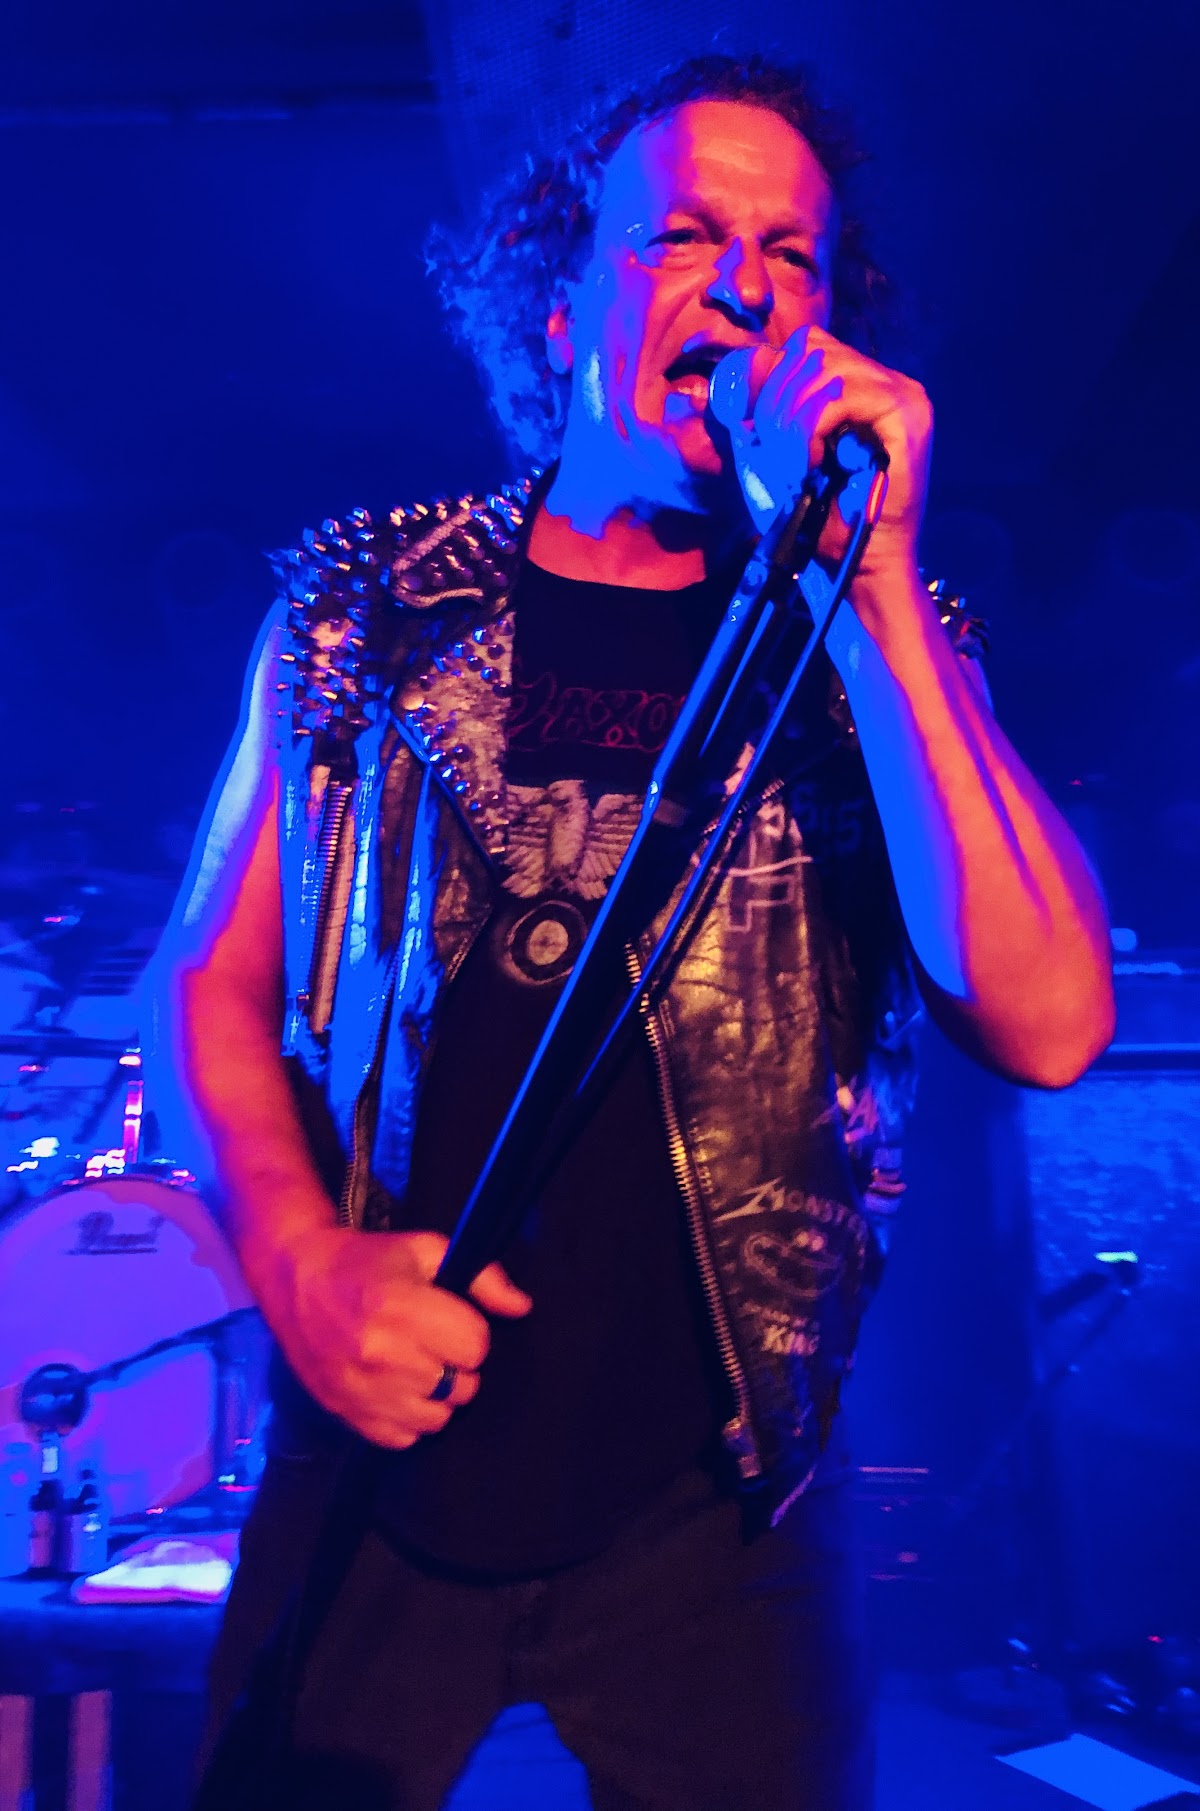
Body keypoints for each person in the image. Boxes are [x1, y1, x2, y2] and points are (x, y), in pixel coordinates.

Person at [163, 54, 1115, 1811]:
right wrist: (295, 1261)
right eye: (682, 237)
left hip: (724, 1511)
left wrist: (873, 588)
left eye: (789, 255)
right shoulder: (369, 607)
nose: (744, 286)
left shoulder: (874, 642)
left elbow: (1051, 1019)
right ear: (557, 307)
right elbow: (205, 985)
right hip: (377, 1460)